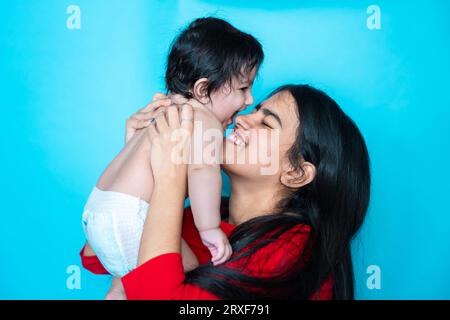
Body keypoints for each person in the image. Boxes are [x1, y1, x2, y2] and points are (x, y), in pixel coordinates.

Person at [81, 84, 371, 300]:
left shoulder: (293, 249)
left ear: (296, 173)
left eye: (267, 123)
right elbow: (97, 256)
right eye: (255, 111)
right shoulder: (200, 219)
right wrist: (137, 160)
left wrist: (168, 172)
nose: (243, 119)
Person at [81, 17, 264, 280]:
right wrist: (209, 228)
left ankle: (119, 292)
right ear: (202, 89)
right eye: (243, 88)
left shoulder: (164, 110)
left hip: (98, 209)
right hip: (129, 217)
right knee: (186, 277)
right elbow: (203, 170)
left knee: (136, 279)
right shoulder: (202, 119)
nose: (249, 100)